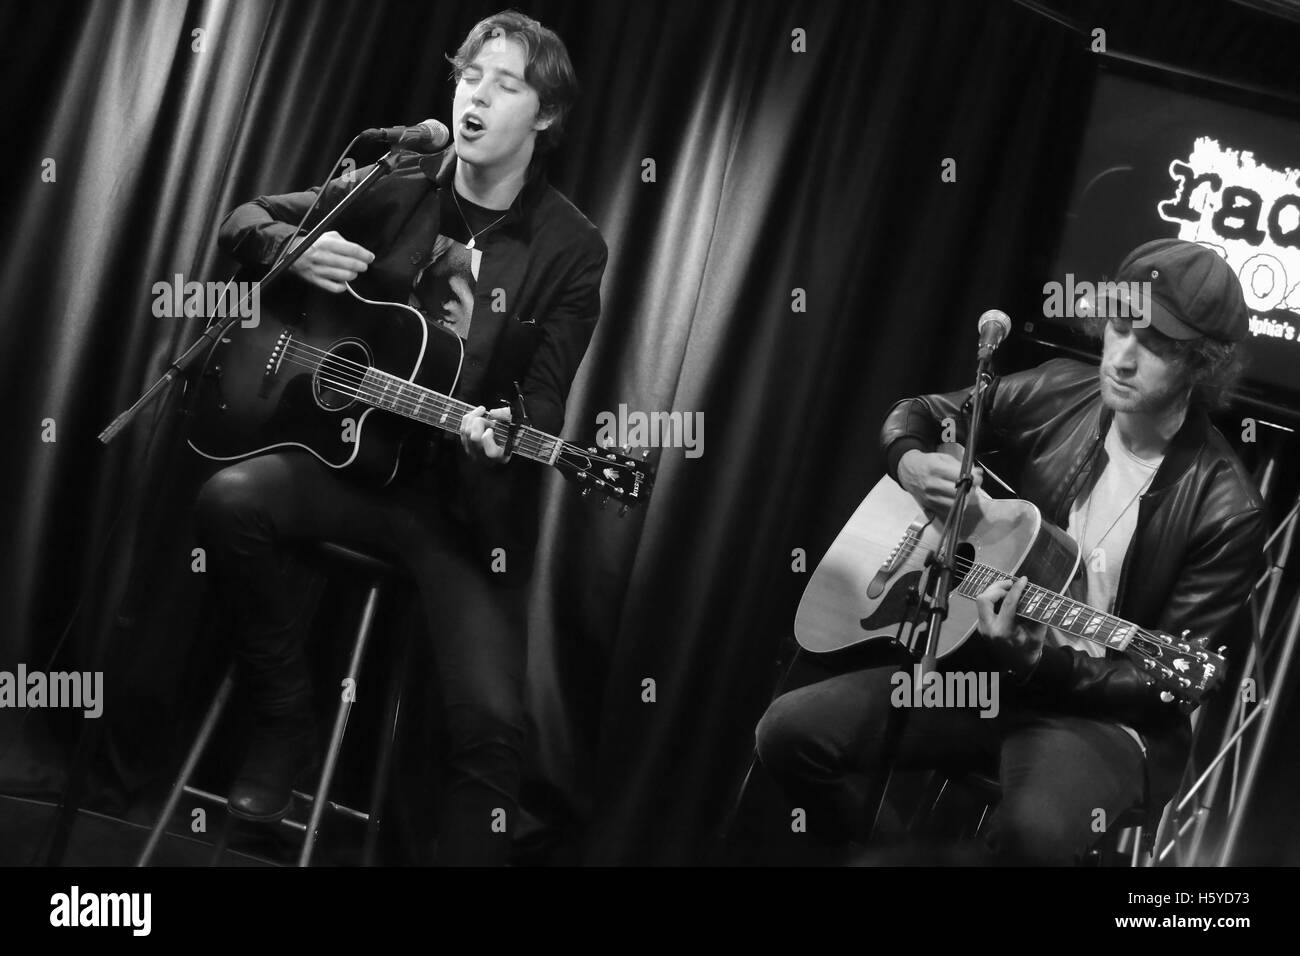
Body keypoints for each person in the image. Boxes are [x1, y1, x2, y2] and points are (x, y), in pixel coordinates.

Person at [196, 10, 608, 866]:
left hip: (459, 513)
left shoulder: (572, 248)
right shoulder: (397, 177)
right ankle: (284, 722)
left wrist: (507, 432)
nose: (478, 98)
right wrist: (289, 250)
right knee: (230, 502)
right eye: (470, 77)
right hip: (346, 473)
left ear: (546, 116)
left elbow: (544, 404)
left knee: (492, 732)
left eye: (507, 85)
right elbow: (241, 218)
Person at [756, 239, 1266, 864]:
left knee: (1035, 837)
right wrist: (911, 460)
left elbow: (1161, 683)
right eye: (1118, 328)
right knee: (788, 732)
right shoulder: (1059, 391)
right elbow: (918, 413)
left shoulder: (1226, 507)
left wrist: (1038, 664)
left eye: (1155, 346)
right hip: (987, 676)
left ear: (1201, 365)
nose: (1123, 360)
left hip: (1100, 719)